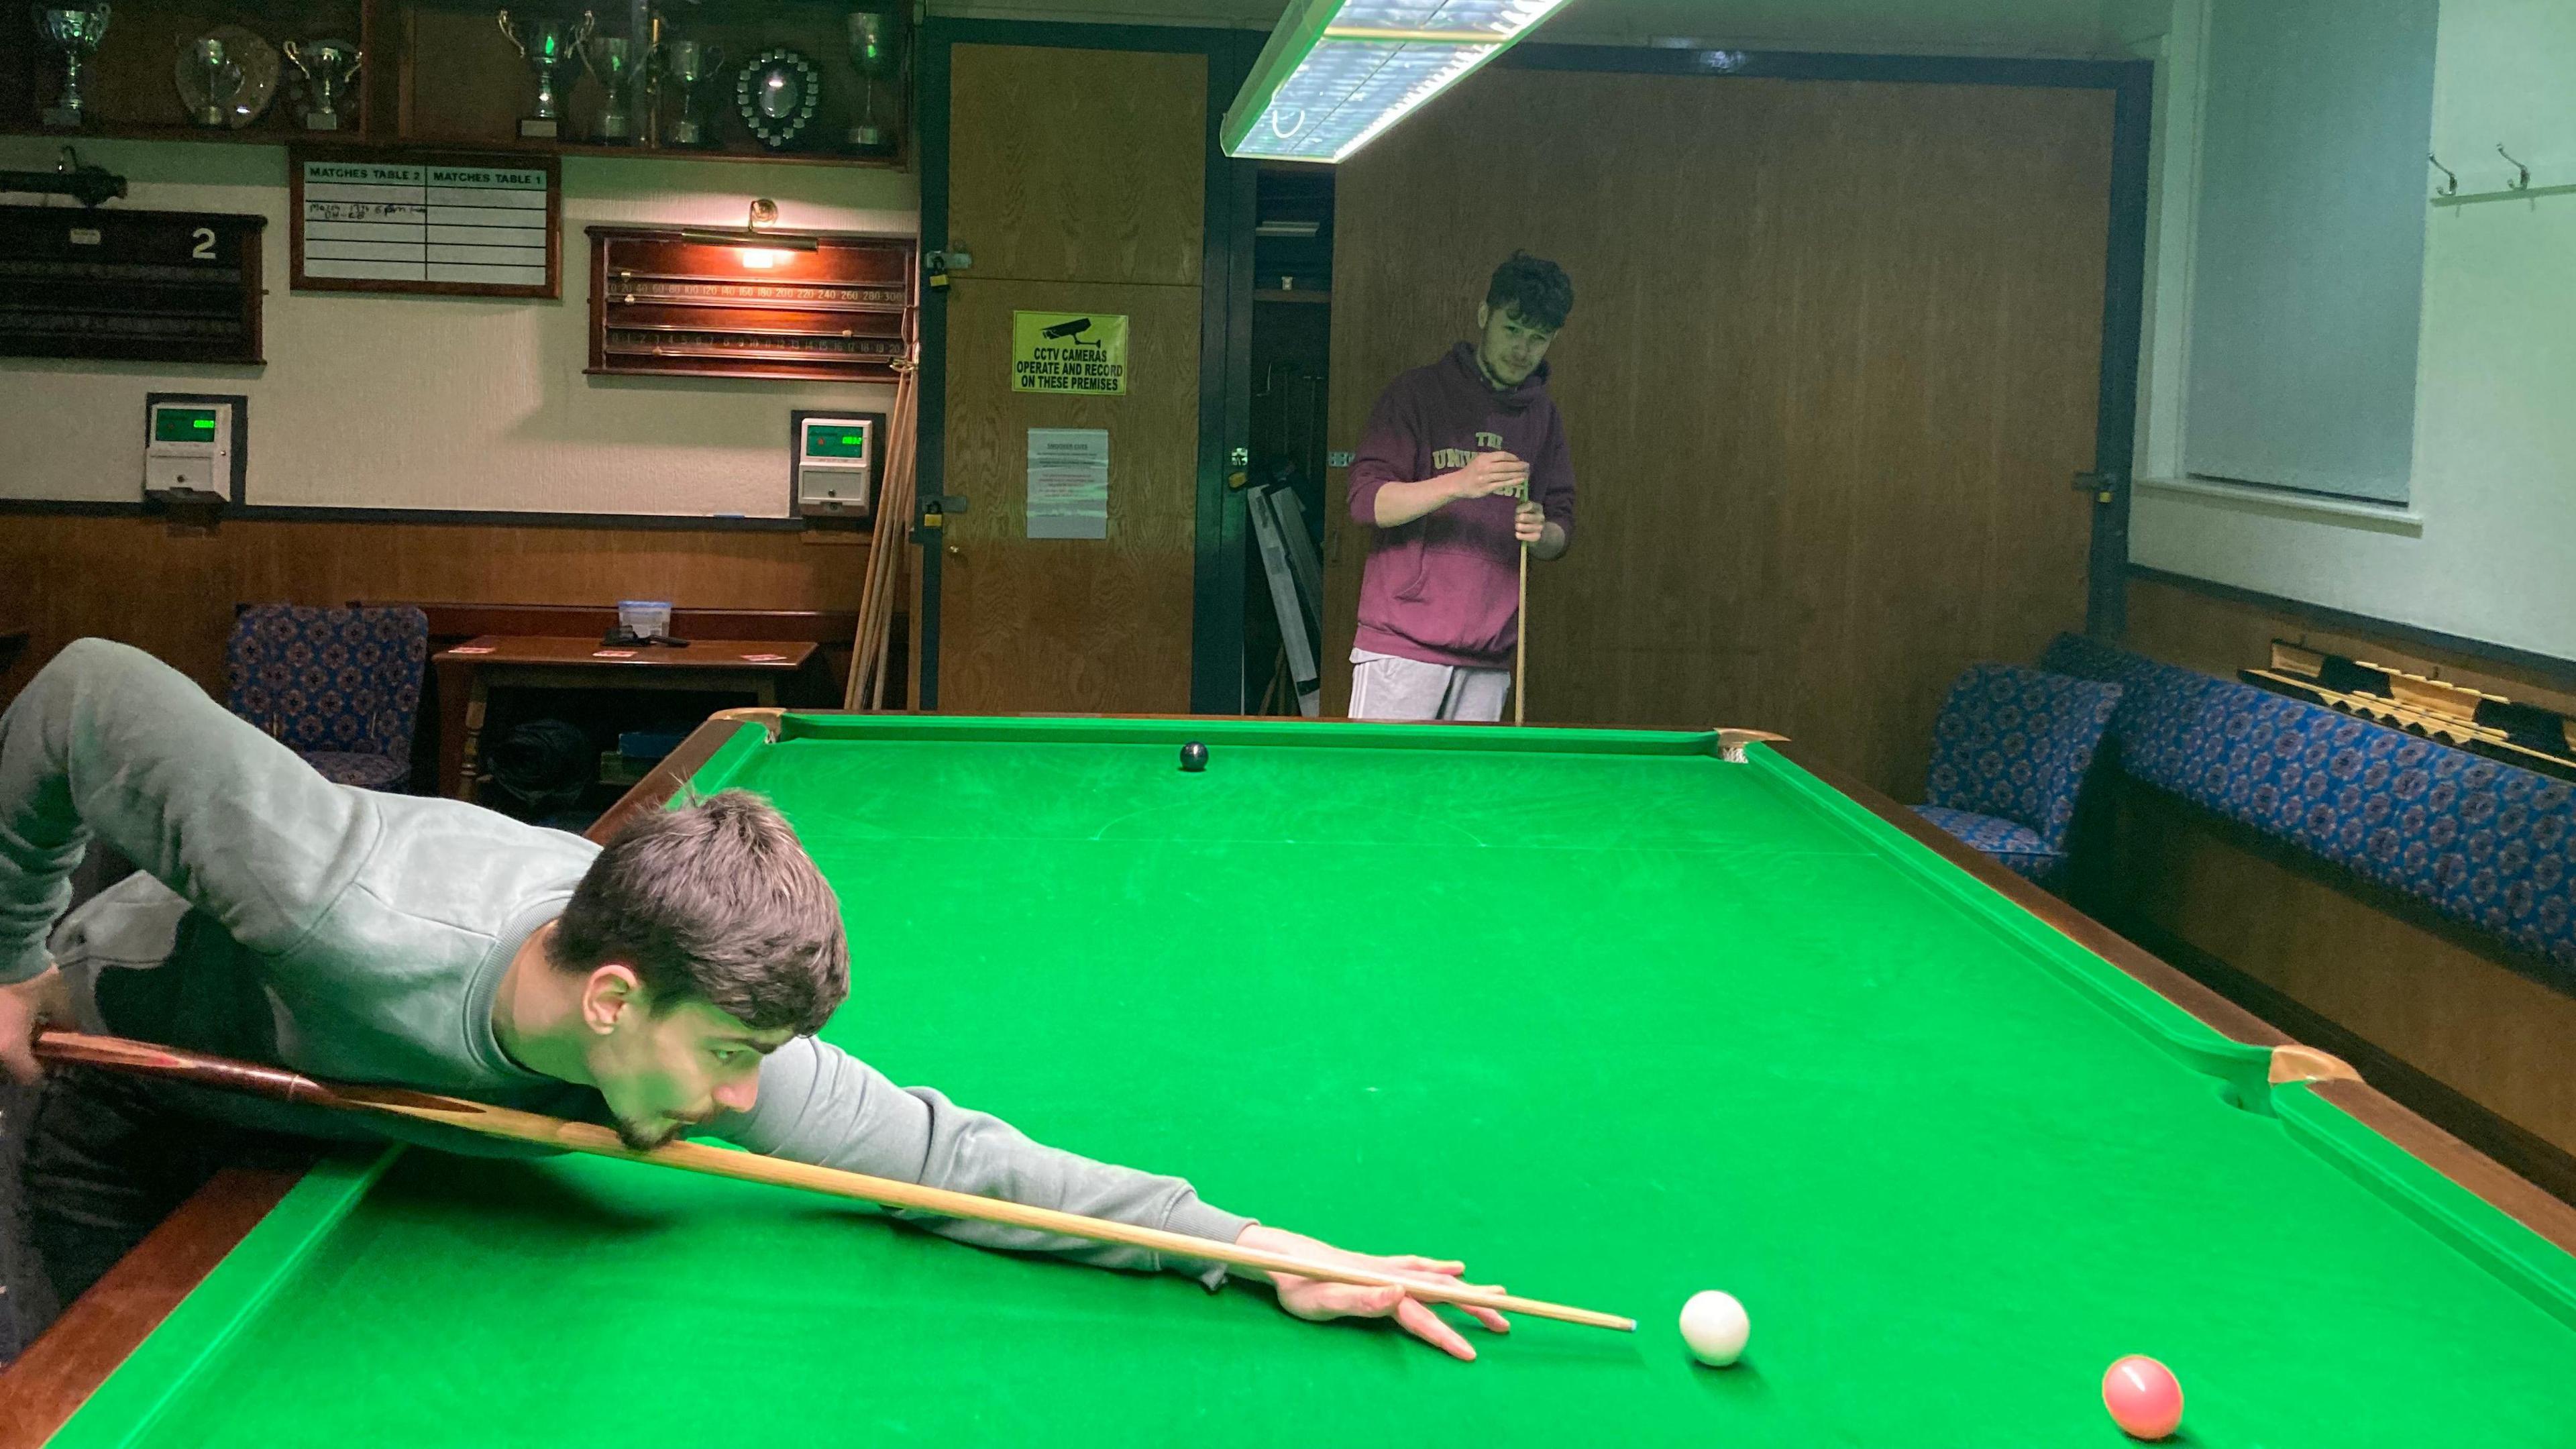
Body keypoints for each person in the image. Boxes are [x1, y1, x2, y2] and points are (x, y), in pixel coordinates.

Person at [0, 639, 1509, 1361]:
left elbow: (953, 1157)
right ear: (610, 1001)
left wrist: (1251, 1251)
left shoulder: (707, 1037)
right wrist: (12, 948)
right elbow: (87, 697)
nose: (745, 1099)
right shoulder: (339, 901)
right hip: (131, 1070)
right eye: (726, 1058)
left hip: (319, 1115)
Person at [1346, 252, 1577, 721]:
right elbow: (1366, 501)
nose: (1522, 349)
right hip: (1401, 650)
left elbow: (1560, 524)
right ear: (1483, 316)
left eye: (1538, 339)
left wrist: (1545, 533)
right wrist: (1459, 483)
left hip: (1489, 661)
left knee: (1467, 797)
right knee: (1386, 794)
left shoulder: (1544, 418)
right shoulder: (1416, 394)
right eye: (1512, 329)